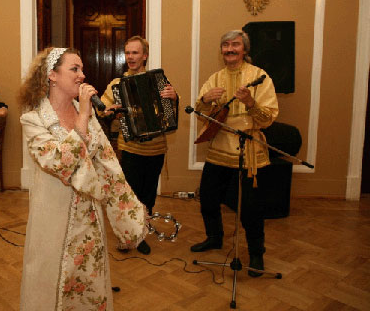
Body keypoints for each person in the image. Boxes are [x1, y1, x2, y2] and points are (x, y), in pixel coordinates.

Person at [18, 47, 148, 311]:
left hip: (89, 216)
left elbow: (107, 164)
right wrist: (84, 118)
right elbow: (58, 162)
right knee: (52, 280)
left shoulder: (83, 111)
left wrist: (131, 212)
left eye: (82, 69)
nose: (82, 75)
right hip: (53, 216)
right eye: (74, 69)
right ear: (52, 75)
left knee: (89, 281)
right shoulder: (33, 119)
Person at [190, 30, 278, 278]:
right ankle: (214, 237)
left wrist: (250, 102)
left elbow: (268, 119)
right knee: (208, 197)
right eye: (226, 45)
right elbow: (200, 113)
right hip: (219, 148)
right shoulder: (215, 78)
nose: (230, 49)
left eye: (235, 45)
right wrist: (205, 100)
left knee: (250, 207)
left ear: (245, 49)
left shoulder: (260, 77)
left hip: (248, 150)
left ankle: (257, 253)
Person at [100, 35, 178, 255]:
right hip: (130, 148)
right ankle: (127, 236)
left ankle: (141, 233)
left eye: (135, 52)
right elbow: (102, 108)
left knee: (148, 193)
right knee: (129, 194)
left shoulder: (159, 81)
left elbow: (169, 115)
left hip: (156, 148)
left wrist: (174, 98)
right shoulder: (117, 84)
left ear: (145, 56)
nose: (130, 57)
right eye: (127, 53)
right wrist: (109, 110)